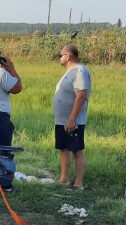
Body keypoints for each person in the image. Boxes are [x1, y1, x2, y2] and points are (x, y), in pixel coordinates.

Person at [54, 44, 91, 191]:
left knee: (77, 150)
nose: (60, 57)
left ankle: (78, 183)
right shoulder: (70, 71)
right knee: (64, 148)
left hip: (73, 121)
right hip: (62, 120)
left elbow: (81, 96)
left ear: (68, 56)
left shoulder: (80, 72)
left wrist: (72, 119)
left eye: (61, 55)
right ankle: (64, 179)